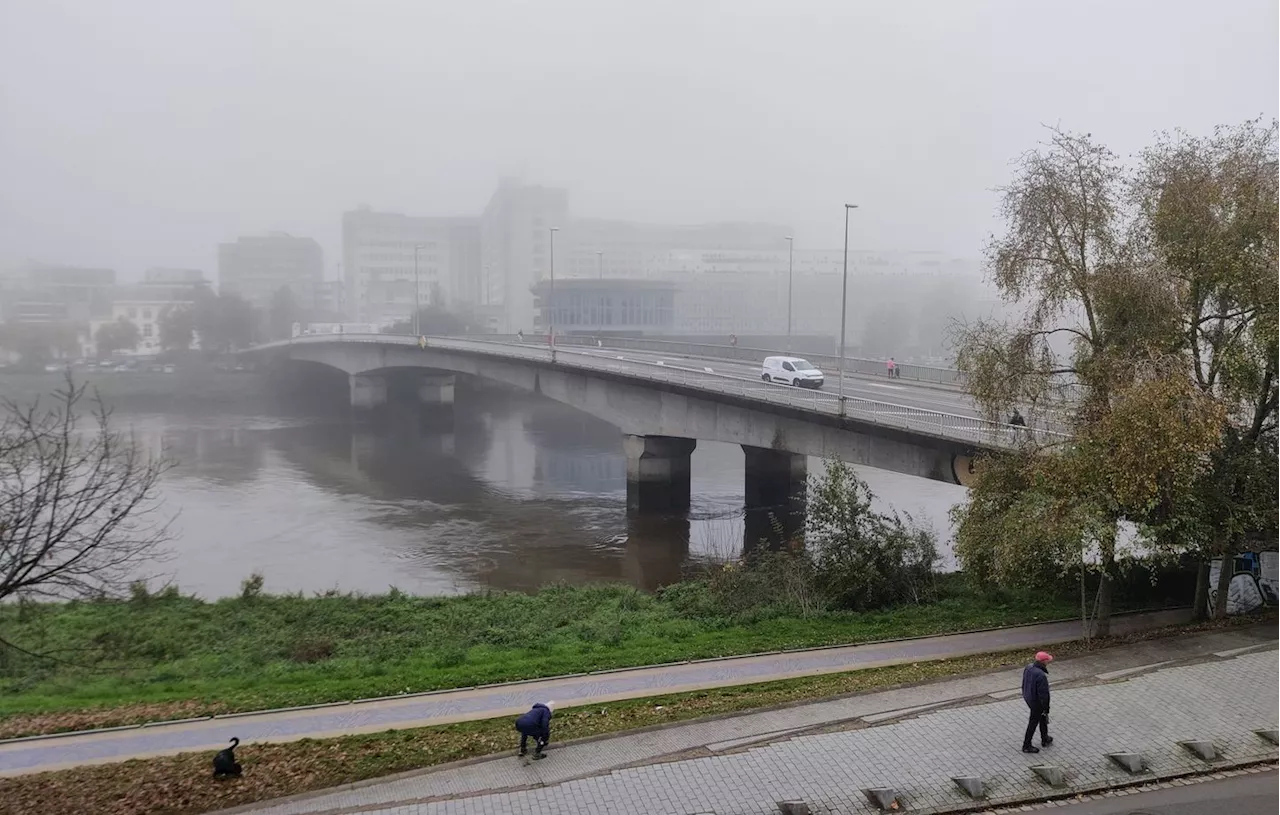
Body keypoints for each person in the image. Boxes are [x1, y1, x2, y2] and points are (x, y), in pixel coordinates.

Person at [1021, 651, 1054, 753]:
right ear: (1044, 661)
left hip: (1029, 697)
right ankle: (1026, 745)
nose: (1048, 662)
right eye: (1047, 660)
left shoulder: (1029, 668)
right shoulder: (1041, 675)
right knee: (1033, 722)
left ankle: (1045, 738)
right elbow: (1044, 694)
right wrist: (1046, 708)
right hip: (1037, 702)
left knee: (1042, 718)